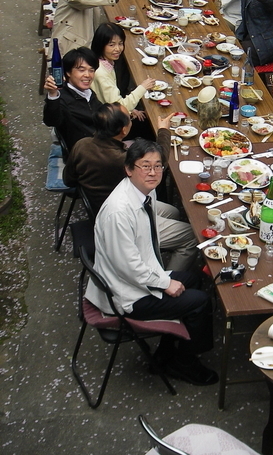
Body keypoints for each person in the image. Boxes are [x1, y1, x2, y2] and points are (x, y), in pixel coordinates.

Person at [85, 138, 217, 386]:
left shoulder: (142, 192)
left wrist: (164, 279)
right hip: (128, 295)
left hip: (141, 276)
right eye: (145, 166)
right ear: (129, 169)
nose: (153, 172)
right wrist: (164, 282)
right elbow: (127, 266)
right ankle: (185, 362)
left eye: (158, 166)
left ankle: (167, 350)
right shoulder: (118, 211)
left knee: (195, 280)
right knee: (200, 302)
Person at [63, 104, 198, 272]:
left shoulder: (82, 145)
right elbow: (158, 163)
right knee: (192, 236)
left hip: (104, 207)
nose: (132, 117)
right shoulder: (123, 160)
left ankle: (156, 252)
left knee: (174, 212)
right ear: (124, 130)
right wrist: (163, 130)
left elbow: (68, 180)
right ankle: (167, 281)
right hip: (124, 222)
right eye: (129, 117)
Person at [90, 22, 155, 119]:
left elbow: (112, 100)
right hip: (108, 121)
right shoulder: (101, 72)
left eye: (120, 43)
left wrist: (130, 109)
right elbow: (119, 107)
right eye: (111, 45)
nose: (118, 49)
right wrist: (143, 87)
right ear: (100, 45)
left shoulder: (102, 62)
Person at [43, 47, 102, 151]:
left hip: (102, 144)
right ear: (68, 72)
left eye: (91, 70)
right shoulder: (63, 99)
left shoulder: (88, 93)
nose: (87, 75)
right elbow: (51, 120)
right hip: (86, 155)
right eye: (81, 70)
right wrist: (52, 94)